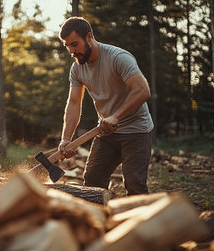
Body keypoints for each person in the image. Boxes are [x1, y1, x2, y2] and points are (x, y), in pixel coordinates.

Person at [58, 16, 154, 195]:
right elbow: (73, 103)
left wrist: (115, 116)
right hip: (106, 131)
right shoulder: (77, 68)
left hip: (136, 130)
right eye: (67, 46)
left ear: (88, 37)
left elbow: (142, 91)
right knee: (93, 181)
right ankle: (100, 220)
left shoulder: (118, 58)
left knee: (134, 183)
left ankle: (143, 220)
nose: (71, 51)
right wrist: (66, 139)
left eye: (74, 44)